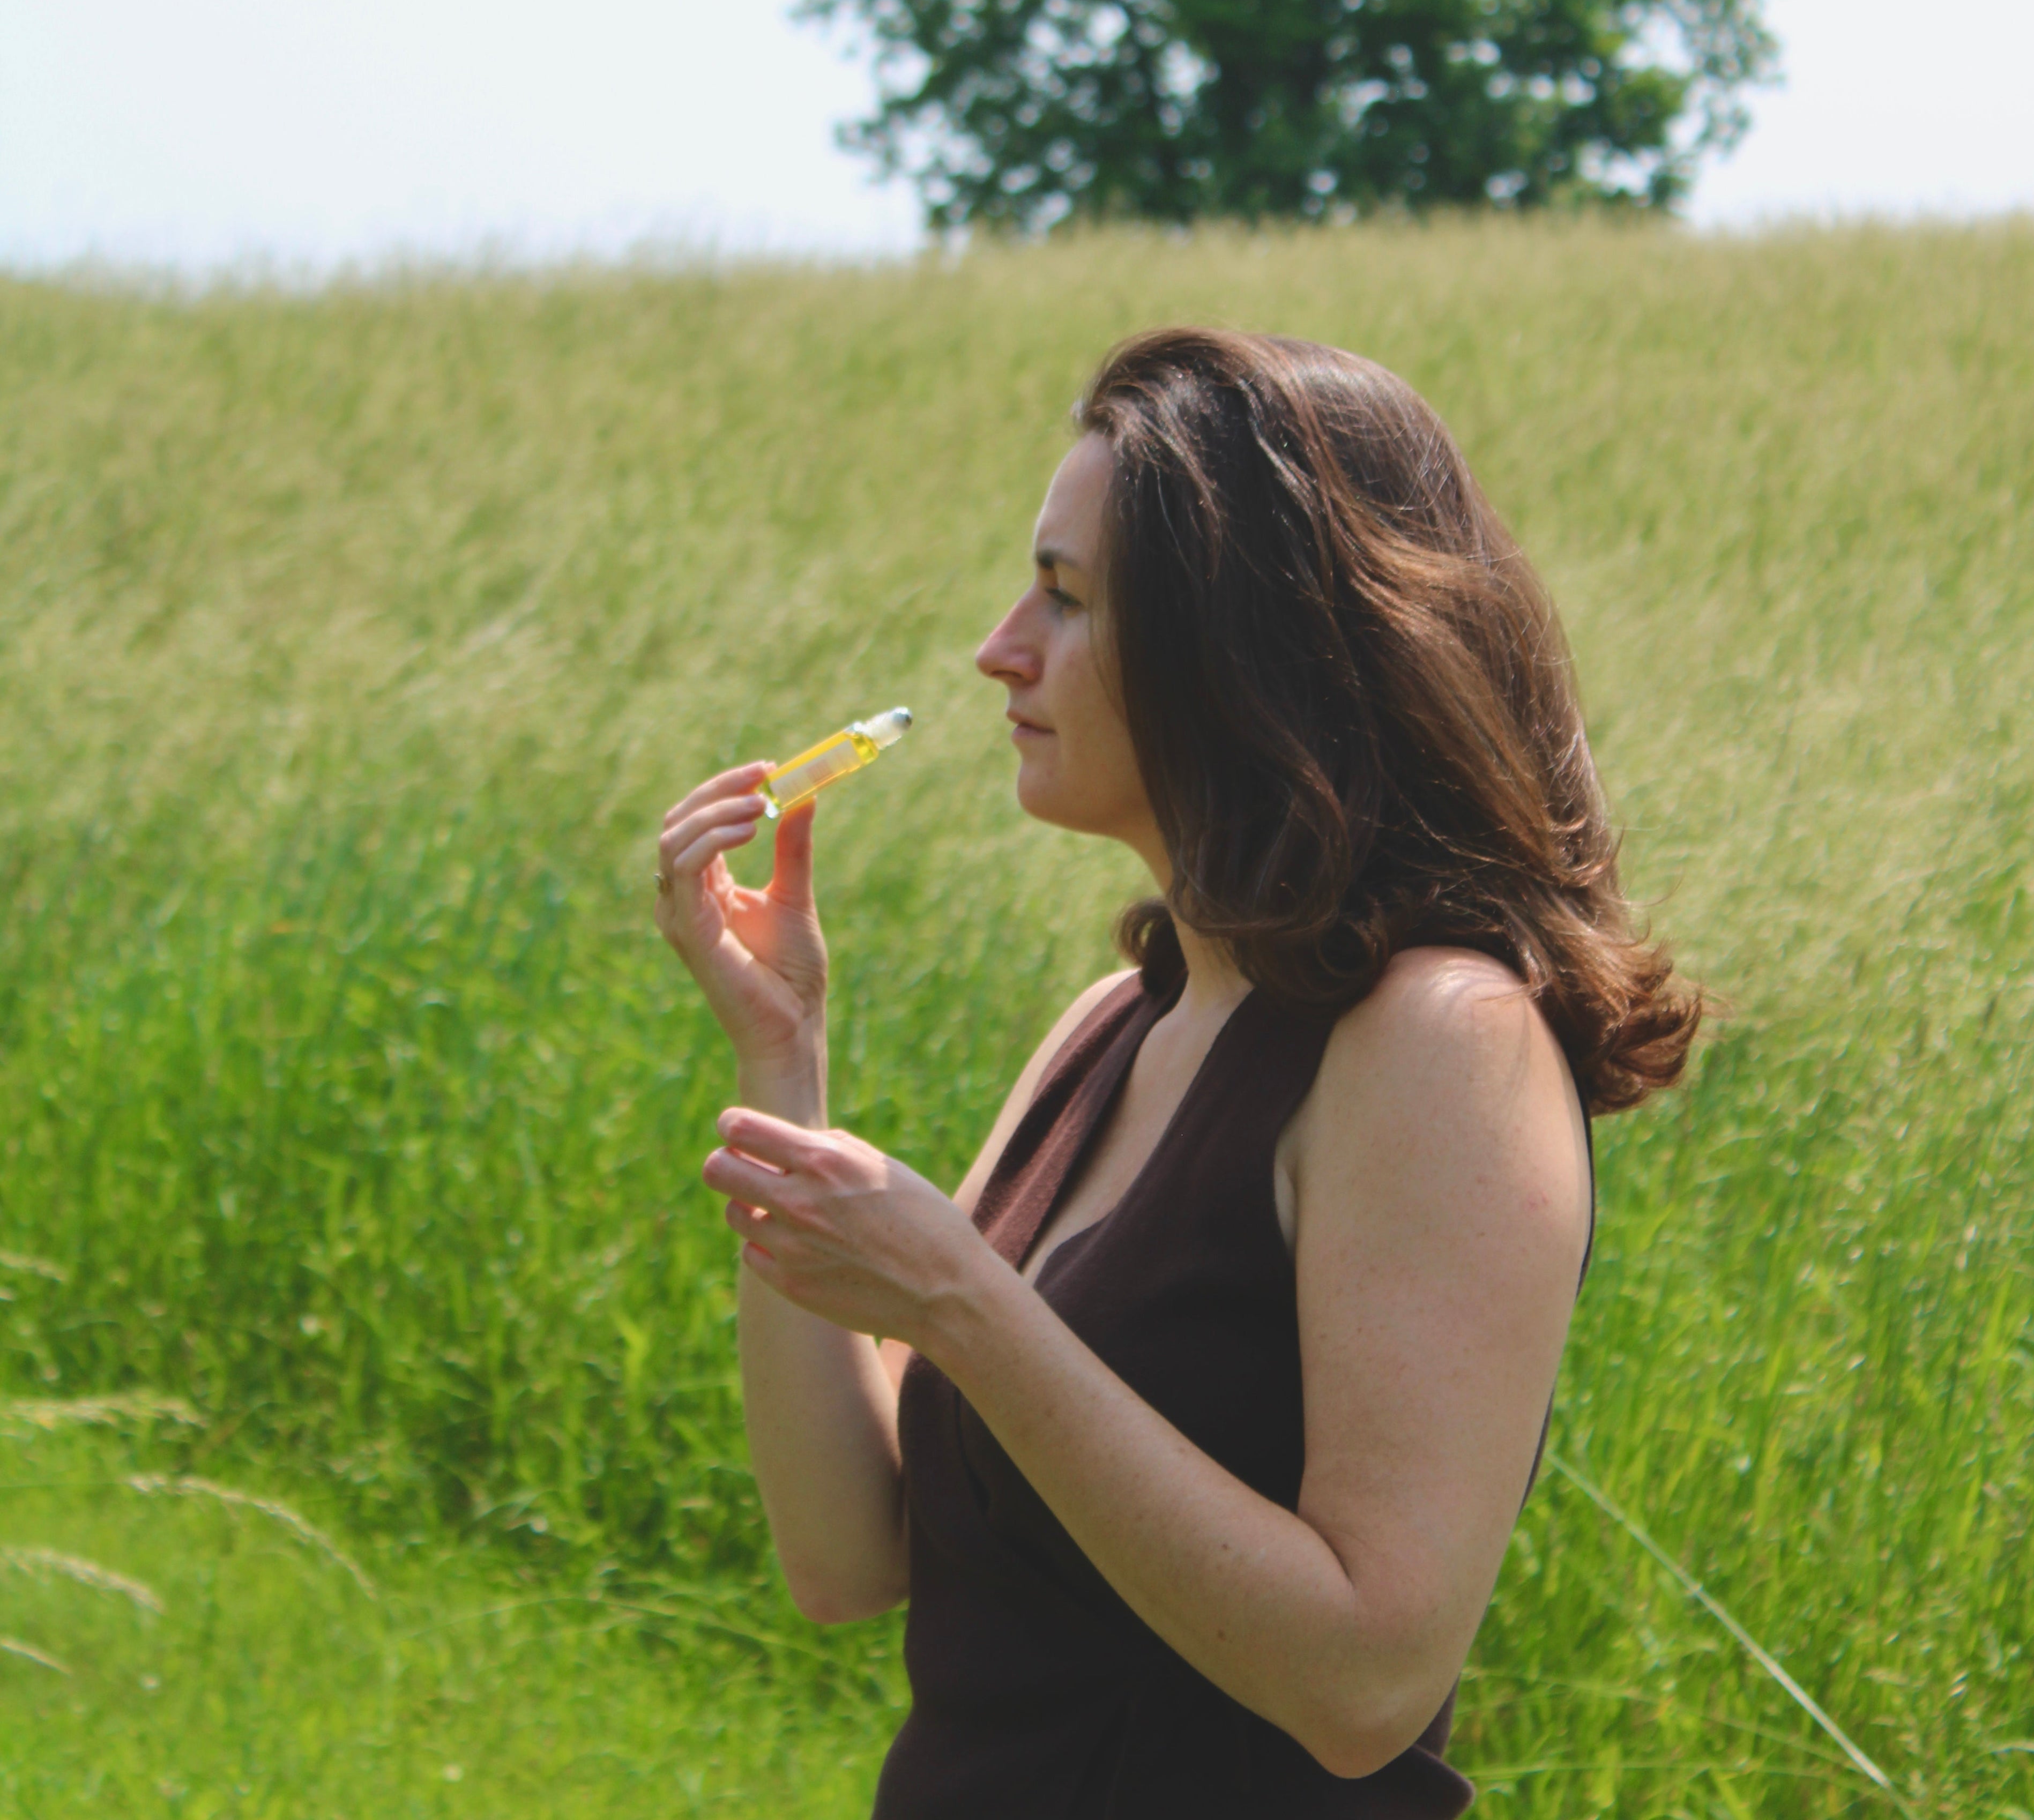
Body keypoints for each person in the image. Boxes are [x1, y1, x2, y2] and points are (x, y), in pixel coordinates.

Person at [654, 328, 1701, 1817]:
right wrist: (785, 1062)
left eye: (1068, 600)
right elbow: (845, 1556)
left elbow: (1365, 1687)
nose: (998, 646)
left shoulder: (1436, 1045)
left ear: (1239, 647)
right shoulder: (1110, 1031)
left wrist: (965, 1300)